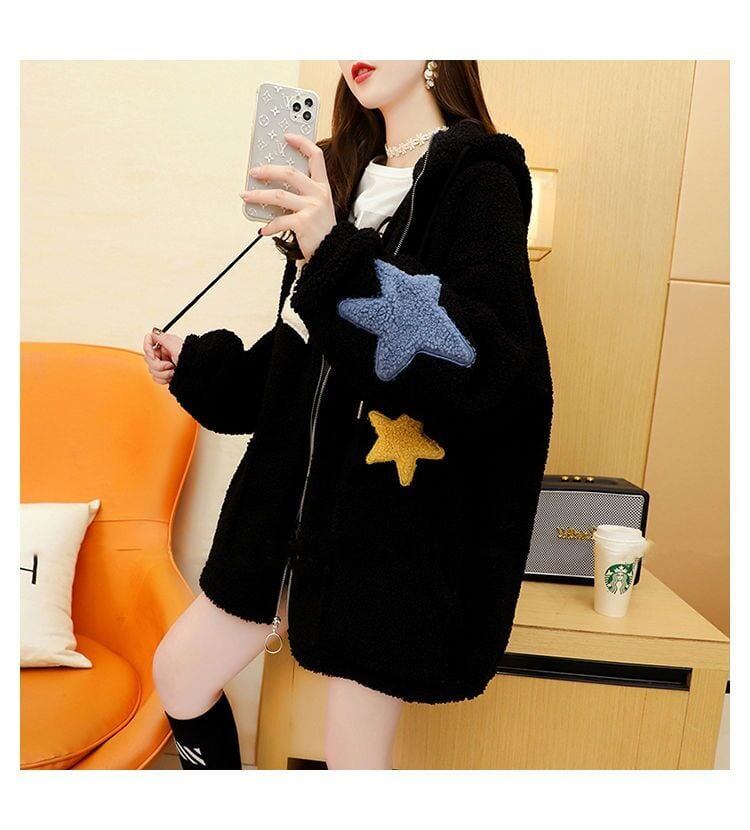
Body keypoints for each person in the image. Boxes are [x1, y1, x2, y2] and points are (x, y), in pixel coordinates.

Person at [143, 60, 553, 770]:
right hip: (280, 516)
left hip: (382, 531)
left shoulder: (479, 174)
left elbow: (479, 359)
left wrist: (333, 251)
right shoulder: (339, 174)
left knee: (351, 761)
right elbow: (302, 355)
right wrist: (203, 368)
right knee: (179, 674)